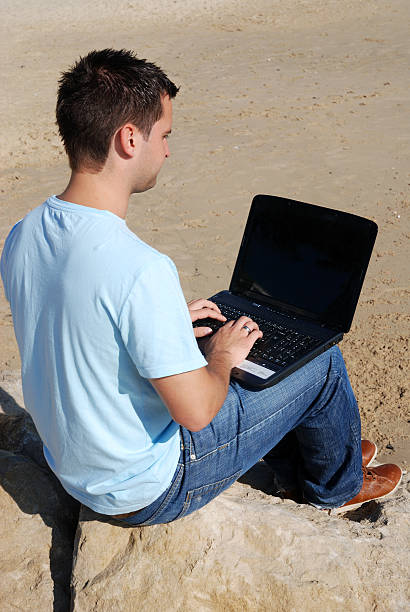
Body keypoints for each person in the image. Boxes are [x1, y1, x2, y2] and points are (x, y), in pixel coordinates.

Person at [0, 49, 402, 526]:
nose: (167, 150)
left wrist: (165, 324)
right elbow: (195, 415)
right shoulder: (140, 267)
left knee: (253, 354)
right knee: (321, 363)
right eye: (164, 135)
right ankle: (336, 484)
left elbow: (81, 322)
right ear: (129, 138)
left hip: (75, 466)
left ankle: (306, 459)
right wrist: (219, 359)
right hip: (146, 488)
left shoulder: (25, 232)